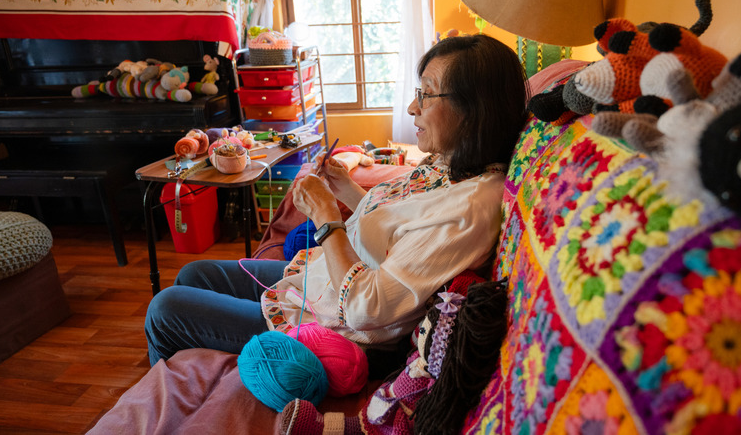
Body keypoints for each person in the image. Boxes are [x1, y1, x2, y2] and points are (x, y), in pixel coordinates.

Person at [144, 34, 530, 366]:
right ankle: (199, 366)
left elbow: (369, 309)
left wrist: (328, 218)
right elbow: (399, 229)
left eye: (426, 95)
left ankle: (186, 382)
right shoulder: (452, 165)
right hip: (326, 288)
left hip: (342, 333)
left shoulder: (470, 208)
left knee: (165, 309)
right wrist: (345, 188)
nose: (413, 107)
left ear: (475, 108)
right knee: (197, 274)